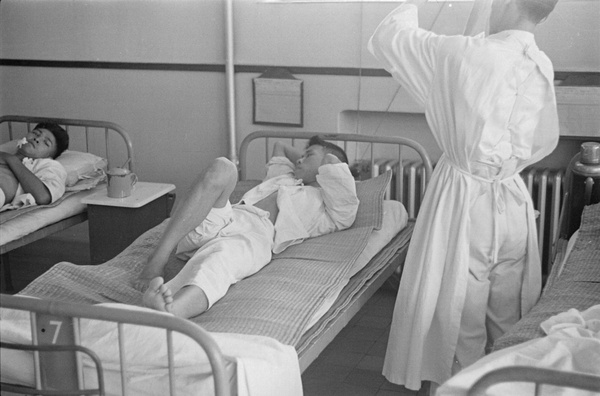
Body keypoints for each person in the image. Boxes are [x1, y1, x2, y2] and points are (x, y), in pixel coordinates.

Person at [368, 0, 560, 391]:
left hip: (466, 203)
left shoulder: (462, 54)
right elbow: (540, 140)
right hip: (511, 202)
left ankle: (463, 388)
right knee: (505, 319)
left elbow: (390, 36)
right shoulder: (540, 63)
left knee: (462, 323)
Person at [140, 135, 359, 319]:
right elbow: (279, 147)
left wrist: (322, 159)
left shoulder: (332, 208)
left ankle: (170, 310)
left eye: (307, 155)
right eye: (300, 156)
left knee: (221, 261)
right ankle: (157, 259)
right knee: (224, 167)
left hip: (258, 234)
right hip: (231, 215)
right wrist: (309, 159)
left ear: (331, 168)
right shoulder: (283, 177)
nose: (299, 160)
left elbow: (332, 161)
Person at [0, 123, 69, 208]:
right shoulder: (4, 155)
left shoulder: (49, 165)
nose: (37, 139)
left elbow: (43, 196)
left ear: (50, 156)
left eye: (46, 142)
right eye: (36, 133)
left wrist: (11, 160)